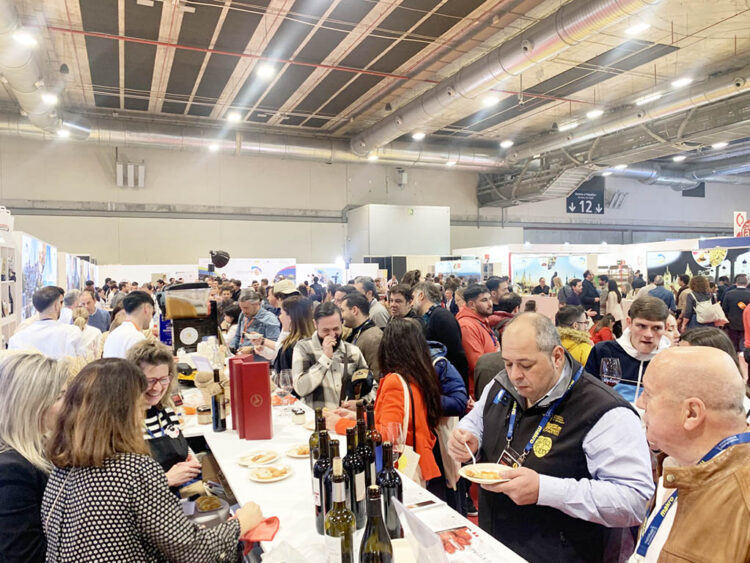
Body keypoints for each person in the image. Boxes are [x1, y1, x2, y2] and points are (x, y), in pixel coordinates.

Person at [447, 313, 653, 562]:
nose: (514, 375)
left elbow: (632, 501)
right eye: (508, 363)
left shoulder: (604, 411)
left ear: (556, 356)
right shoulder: (501, 384)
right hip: (498, 543)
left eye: (525, 365)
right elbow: (478, 418)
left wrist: (545, 490)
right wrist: (469, 436)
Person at [42, 358, 263, 561]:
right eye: (140, 405)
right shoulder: (133, 469)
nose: (145, 410)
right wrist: (240, 524)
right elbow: (190, 551)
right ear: (122, 412)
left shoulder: (62, 467)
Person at [633, 347, 750, 562]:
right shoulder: (678, 463)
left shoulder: (744, 499)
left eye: (648, 394)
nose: (640, 403)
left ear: (691, 413)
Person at [326, 319, 442, 484]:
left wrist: (340, 424)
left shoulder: (395, 380)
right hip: (418, 455)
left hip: (401, 462)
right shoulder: (421, 374)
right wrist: (358, 418)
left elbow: (387, 433)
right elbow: (394, 420)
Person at [0, 352, 68, 563]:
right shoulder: (13, 470)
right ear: (33, 405)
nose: (68, 405)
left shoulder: (38, 451)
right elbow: (23, 556)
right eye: (60, 397)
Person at [126, 341, 201, 492]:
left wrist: (191, 460)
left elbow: (181, 447)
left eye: (163, 379)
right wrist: (167, 479)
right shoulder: (122, 422)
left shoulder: (165, 410)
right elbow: (119, 489)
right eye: (150, 381)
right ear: (132, 379)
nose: (158, 388)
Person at [585, 296, 670, 402]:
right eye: (641, 326)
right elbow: (587, 395)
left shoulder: (672, 361)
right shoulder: (603, 351)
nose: (649, 334)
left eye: (656, 328)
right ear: (629, 323)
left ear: (666, 327)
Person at [292, 302, 369, 409]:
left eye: (336, 329)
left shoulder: (353, 351)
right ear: (315, 324)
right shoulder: (303, 348)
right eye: (326, 330)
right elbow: (300, 388)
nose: (332, 335)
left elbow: (372, 386)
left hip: (345, 420)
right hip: (315, 421)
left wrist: (360, 403)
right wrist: (325, 359)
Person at [412, 281, 469, 388]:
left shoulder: (441, 317)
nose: (411, 303)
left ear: (421, 296)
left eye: (413, 297)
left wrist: (460, 390)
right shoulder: (430, 318)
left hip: (449, 385)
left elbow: (457, 356)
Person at [9, 286, 85, 359]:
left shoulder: (18, 338)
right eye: (61, 302)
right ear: (56, 306)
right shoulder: (72, 333)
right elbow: (81, 364)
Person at [456, 284, 499, 397]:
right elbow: (479, 365)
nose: (490, 304)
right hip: (479, 394)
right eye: (484, 300)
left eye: (490, 299)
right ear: (471, 305)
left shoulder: (482, 320)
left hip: (489, 387)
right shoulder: (467, 326)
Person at [102, 291, 154, 359]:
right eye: (152, 312)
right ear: (146, 309)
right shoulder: (136, 338)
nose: (151, 317)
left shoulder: (113, 334)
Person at [341, 292, 382, 378]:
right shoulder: (357, 332)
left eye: (342, 310)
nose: (341, 315)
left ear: (354, 310)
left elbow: (376, 376)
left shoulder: (373, 338)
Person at [229, 289, 281, 355]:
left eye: (246, 308)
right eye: (241, 308)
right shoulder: (243, 314)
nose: (243, 311)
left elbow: (273, 346)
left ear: (256, 304)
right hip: (241, 356)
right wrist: (232, 348)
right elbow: (238, 335)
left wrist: (252, 349)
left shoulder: (270, 319)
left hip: (259, 360)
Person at [722, 273, 750, 351]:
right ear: (746, 283)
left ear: (736, 283)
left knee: (732, 342)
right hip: (746, 323)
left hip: (731, 322)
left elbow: (724, 308)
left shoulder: (729, 294)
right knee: (744, 343)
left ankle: (734, 357)